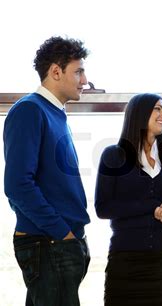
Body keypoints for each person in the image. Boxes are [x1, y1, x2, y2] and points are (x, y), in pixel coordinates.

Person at [3, 36, 91, 306]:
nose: (85, 80)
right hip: (49, 242)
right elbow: (17, 186)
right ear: (55, 71)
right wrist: (61, 232)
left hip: (58, 242)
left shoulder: (55, 113)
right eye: (78, 71)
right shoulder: (30, 111)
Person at [95, 93, 162, 306]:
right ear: (139, 114)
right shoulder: (113, 156)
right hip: (125, 258)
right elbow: (103, 208)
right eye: (157, 109)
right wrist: (152, 207)